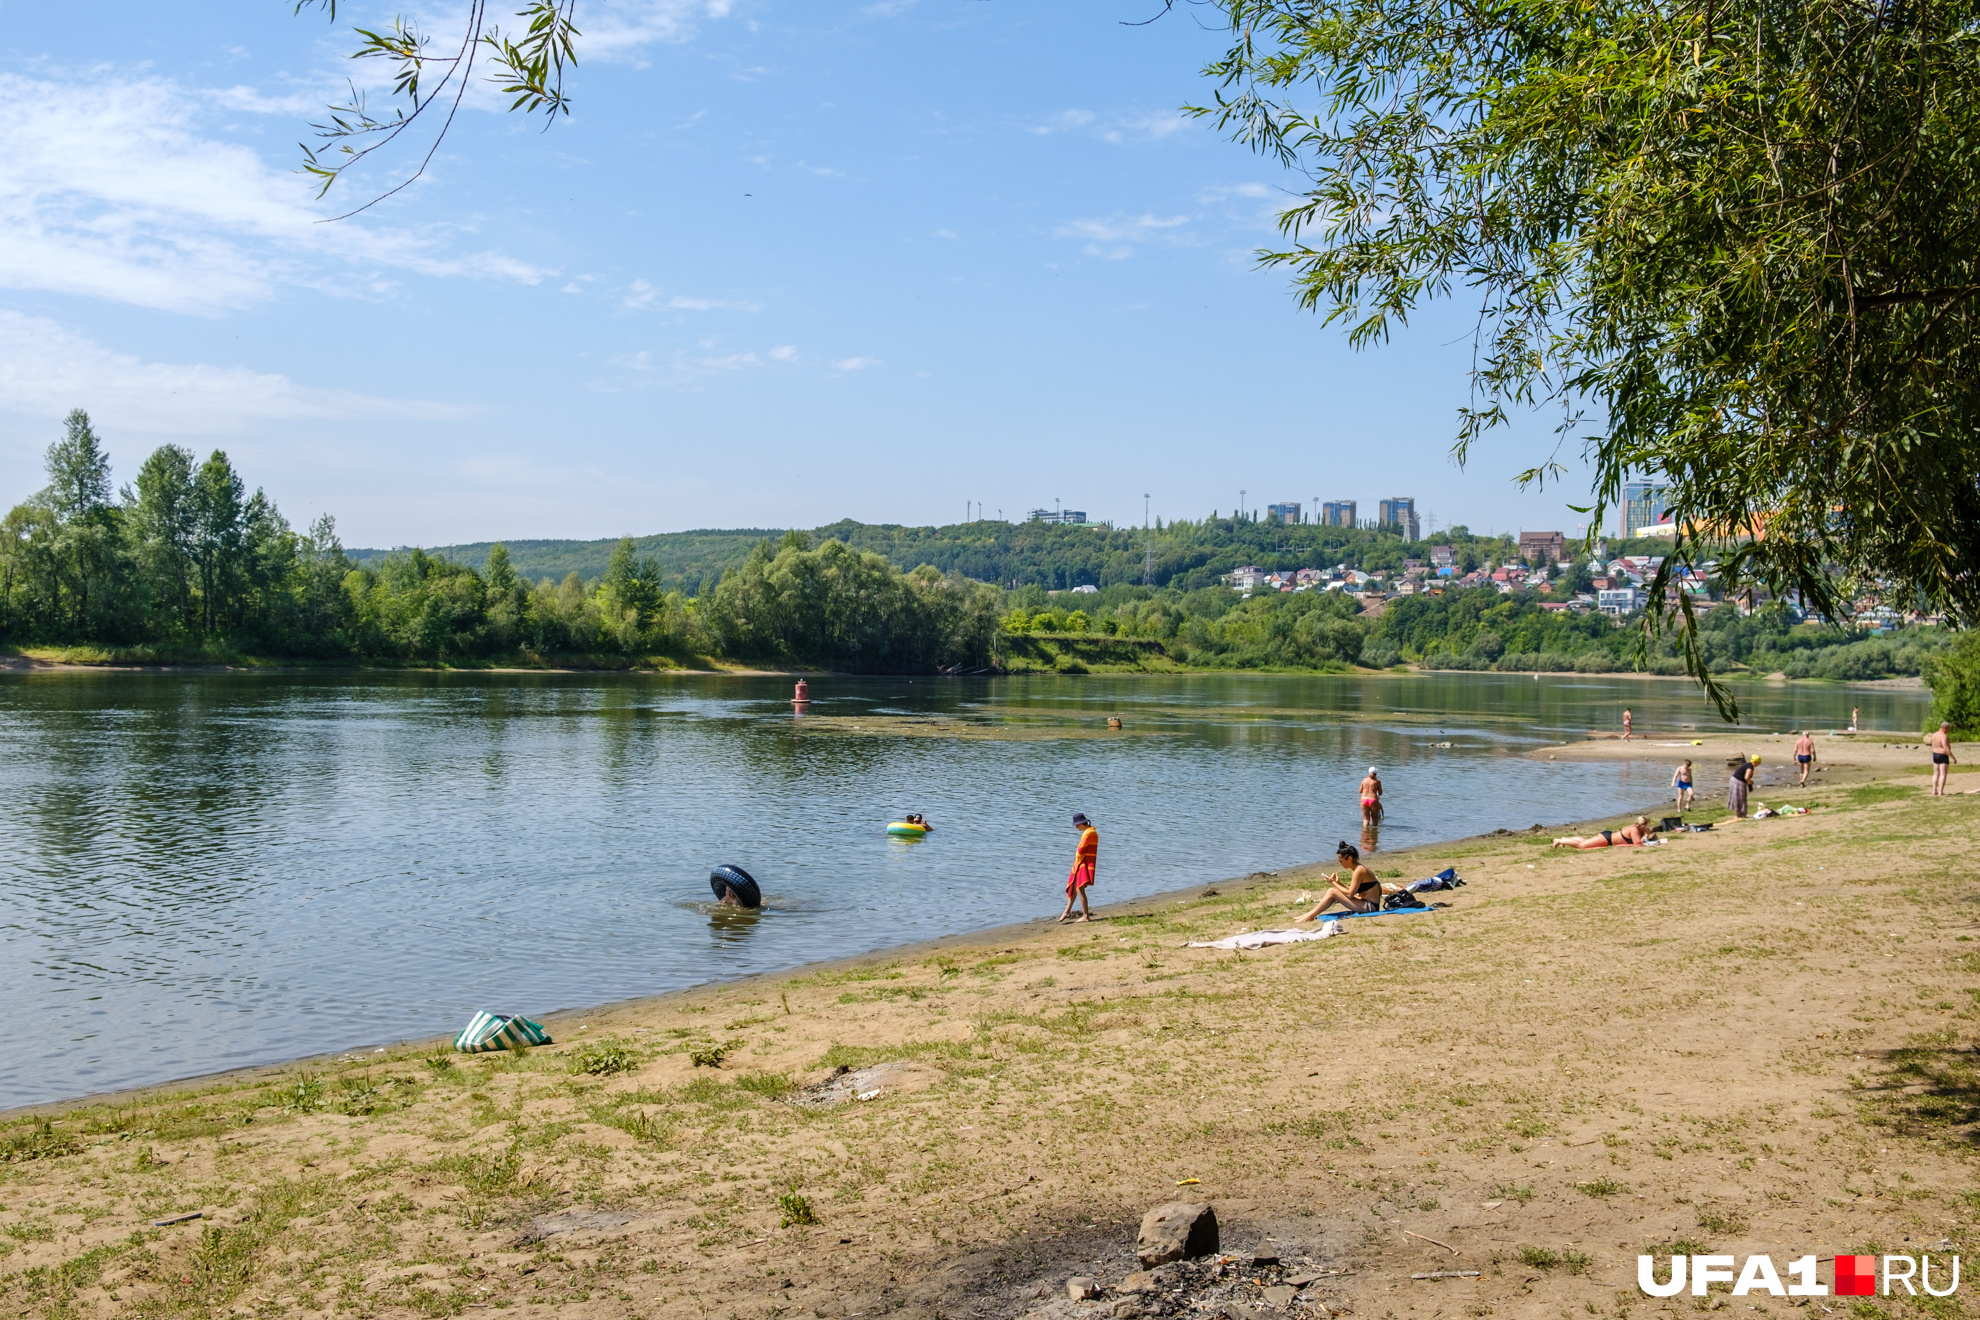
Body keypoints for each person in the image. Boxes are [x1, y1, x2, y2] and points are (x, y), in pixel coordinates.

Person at [1297, 842, 1383, 919]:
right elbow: (1352, 891)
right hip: (1366, 903)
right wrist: (1339, 883)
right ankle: (1309, 914)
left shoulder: (1359, 871)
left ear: (1349, 859)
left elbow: (1349, 894)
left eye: (1341, 861)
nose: (1340, 863)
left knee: (1332, 892)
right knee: (1333, 891)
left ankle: (1310, 916)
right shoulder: (1357, 868)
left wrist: (1333, 883)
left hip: (1370, 907)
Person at [1057, 812, 1099, 922]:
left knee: (1079, 888)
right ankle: (1067, 912)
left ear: (1081, 823)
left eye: (1076, 825)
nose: (1076, 827)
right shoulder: (1090, 831)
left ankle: (1086, 916)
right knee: (1074, 886)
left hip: (1082, 863)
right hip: (1082, 862)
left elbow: (1081, 850)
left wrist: (1077, 863)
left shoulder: (1089, 833)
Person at [1553, 816, 1655, 849]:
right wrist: (1647, 835)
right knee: (1582, 846)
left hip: (1608, 837)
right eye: (1646, 825)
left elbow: (1637, 842)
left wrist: (1649, 838)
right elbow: (1638, 844)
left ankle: (1564, 840)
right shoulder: (1635, 830)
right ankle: (1557, 840)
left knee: (1586, 841)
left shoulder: (1634, 828)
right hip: (1607, 838)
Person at [1927, 723, 1958, 796]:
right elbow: (1946, 748)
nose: (1949, 730)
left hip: (1935, 754)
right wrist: (1953, 757)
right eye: (1948, 728)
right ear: (1945, 728)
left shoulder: (1934, 734)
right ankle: (1940, 791)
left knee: (1936, 773)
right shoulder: (1943, 736)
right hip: (1942, 755)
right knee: (1943, 774)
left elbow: (1931, 744)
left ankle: (1934, 790)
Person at [1728, 754, 1757, 819]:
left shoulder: (1747, 764)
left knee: (1738, 797)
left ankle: (1740, 814)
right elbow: (1746, 777)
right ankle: (1738, 815)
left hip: (1734, 780)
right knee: (1740, 798)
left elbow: (1746, 777)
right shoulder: (1750, 766)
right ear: (1756, 762)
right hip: (1738, 782)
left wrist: (1750, 782)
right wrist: (1750, 783)